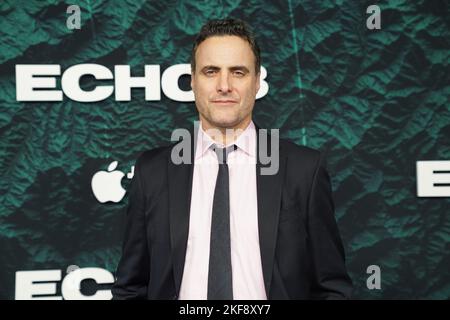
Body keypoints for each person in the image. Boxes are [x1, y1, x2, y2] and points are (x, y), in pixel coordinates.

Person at [111, 18, 353, 300]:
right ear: (193, 82)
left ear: (257, 82)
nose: (224, 85)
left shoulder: (304, 170)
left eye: (238, 72)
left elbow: (332, 288)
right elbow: (131, 286)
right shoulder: (151, 172)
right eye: (211, 71)